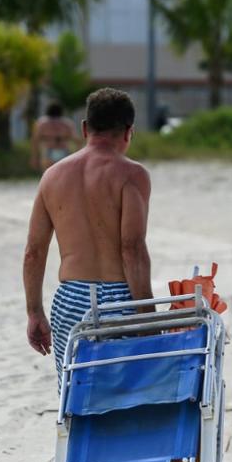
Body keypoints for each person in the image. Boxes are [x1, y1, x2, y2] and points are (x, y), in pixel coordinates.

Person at [22, 88, 153, 393]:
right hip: (120, 297)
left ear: (84, 128)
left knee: (76, 396)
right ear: (129, 132)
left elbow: (33, 252)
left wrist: (34, 312)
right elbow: (132, 249)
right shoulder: (132, 175)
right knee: (129, 396)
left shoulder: (52, 176)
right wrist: (147, 317)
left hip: (70, 300)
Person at [30, 101, 80, 172]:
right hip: (64, 149)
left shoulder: (42, 123)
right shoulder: (67, 123)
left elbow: (35, 140)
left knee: (48, 174)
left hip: (49, 149)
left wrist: (34, 157)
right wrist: (77, 155)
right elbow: (77, 140)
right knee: (63, 174)